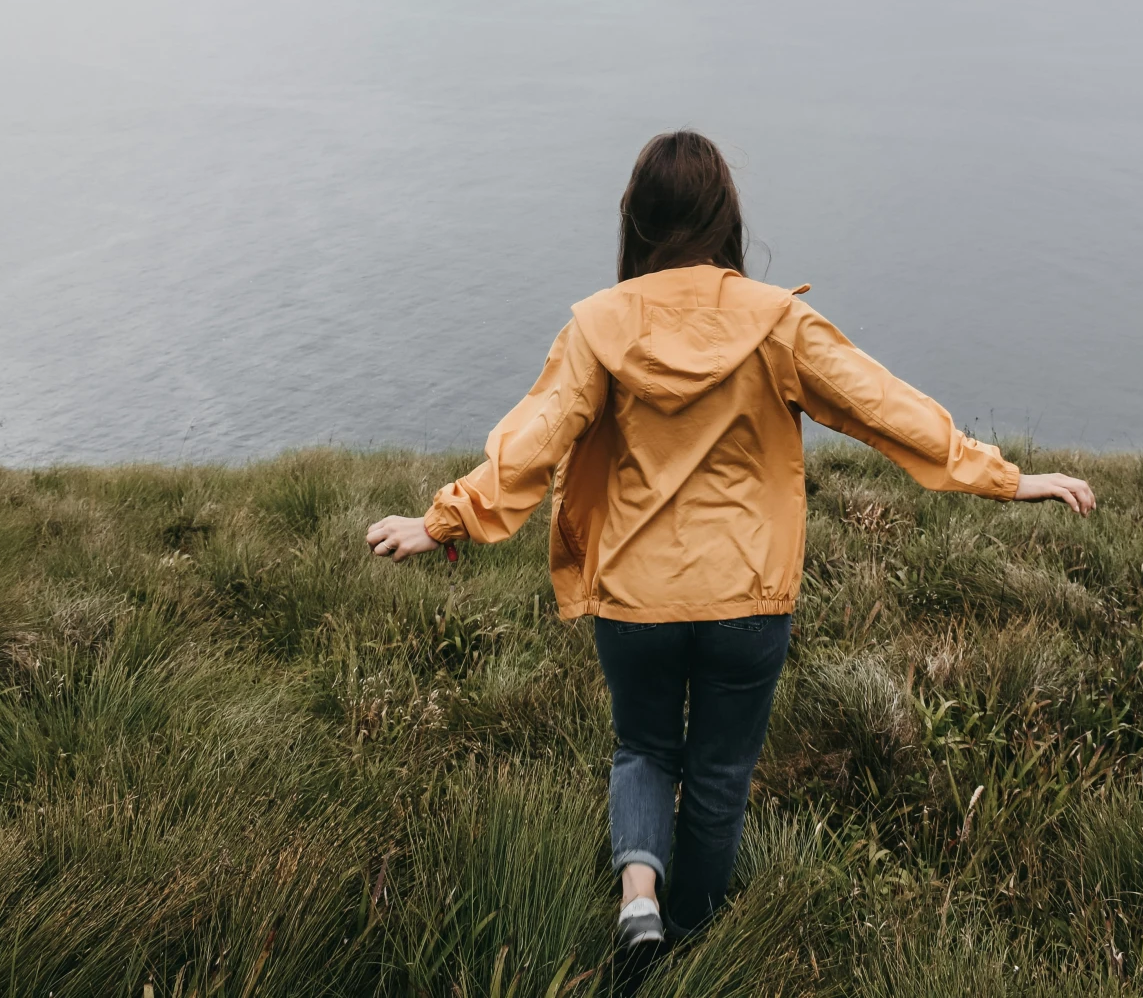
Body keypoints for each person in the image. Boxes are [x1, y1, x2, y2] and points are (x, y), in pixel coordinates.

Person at [364, 130, 1096, 967]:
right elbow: (885, 408)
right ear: (725, 215)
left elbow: (532, 440)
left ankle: (639, 898)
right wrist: (1006, 477)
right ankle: (692, 947)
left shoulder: (598, 326)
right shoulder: (777, 319)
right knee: (716, 776)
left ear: (637, 217)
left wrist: (442, 521)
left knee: (642, 747)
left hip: (634, 598)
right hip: (747, 599)